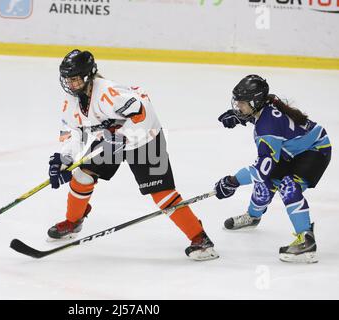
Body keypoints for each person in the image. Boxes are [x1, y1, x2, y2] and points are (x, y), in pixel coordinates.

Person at [46, 49, 219, 261]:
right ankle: (73, 222)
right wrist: (64, 159)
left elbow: (143, 111)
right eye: (67, 80)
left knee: (163, 194)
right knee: (82, 175)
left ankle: (200, 239)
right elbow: (73, 131)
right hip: (111, 139)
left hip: (145, 138)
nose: (70, 85)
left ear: (88, 76)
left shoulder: (109, 93)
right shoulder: (71, 100)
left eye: (74, 79)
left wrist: (124, 137)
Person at [215, 74, 331, 263]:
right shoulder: (266, 107)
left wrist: (232, 181)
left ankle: (306, 240)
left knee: (287, 186)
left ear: (255, 101)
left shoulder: (267, 129)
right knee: (266, 181)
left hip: (315, 151)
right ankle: (253, 217)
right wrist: (240, 117)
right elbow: (271, 123)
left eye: (242, 103)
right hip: (292, 150)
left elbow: (261, 170)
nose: (238, 107)